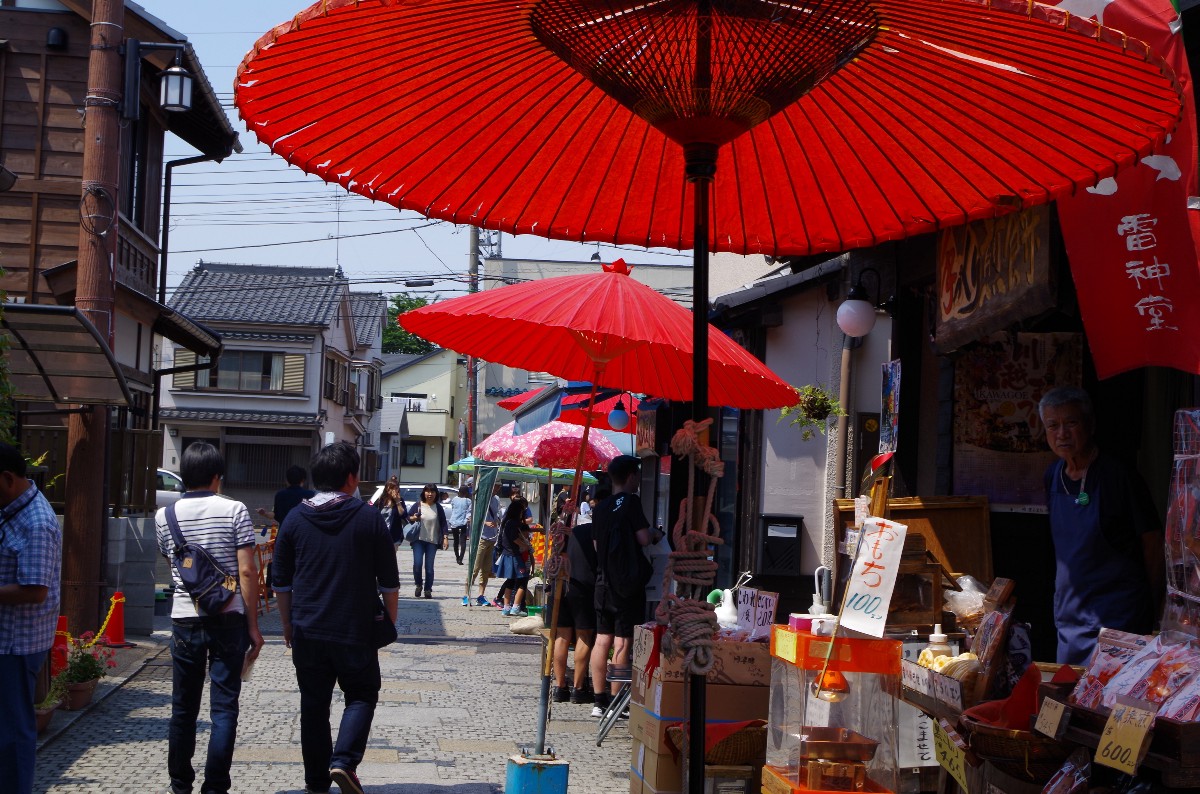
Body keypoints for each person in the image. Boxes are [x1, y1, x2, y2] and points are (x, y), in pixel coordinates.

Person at [273, 441, 400, 794]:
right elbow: (389, 581)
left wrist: (286, 624)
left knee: (313, 705)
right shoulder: (368, 518)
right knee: (361, 694)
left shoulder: (295, 519)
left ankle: (315, 783)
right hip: (355, 628)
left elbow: (281, 582)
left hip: (307, 628)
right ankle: (343, 761)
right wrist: (389, 622)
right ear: (350, 478)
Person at [155, 441, 264, 794]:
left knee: (183, 709)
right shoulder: (235, 510)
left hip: (184, 619)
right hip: (228, 619)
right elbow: (247, 572)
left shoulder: (164, 516)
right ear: (217, 476)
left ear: (184, 476)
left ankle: (179, 784)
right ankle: (215, 786)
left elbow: (174, 565)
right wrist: (253, 627)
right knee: (223, 708)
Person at [1040, 387, 1165, 665]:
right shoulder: (1052, 476)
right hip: (1071, 617)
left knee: (1112, 701)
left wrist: (1153, 604)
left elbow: (1153, 542)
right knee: (1070, 696)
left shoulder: (1119, 476)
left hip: (1119, 616)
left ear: (1090, 424)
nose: (1062, 433)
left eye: (1071, 423)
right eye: (1053, 425)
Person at [0, 443, 62, 794]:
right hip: (9, 640)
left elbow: (35, 589)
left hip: (16, 643)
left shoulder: (36, 522)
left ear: (8, 478)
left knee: (14, 730)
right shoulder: (12, 509)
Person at [590, 455, 662, 717]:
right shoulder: (631, 503)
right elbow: (643, 539)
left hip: (602, 582)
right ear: (631, 476)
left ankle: (598, 701)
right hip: (626, 586)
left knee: (601, 640)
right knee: (622, 643)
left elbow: (597, 546)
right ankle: (615, 700)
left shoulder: (600, 507)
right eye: (637, 476)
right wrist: (654, 533)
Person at [550, 497, 599, 704]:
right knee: (584, 636)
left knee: (561, 636)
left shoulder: (559, 530)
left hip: (559, 584)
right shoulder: (589, 529)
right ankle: (579, 688)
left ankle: (560, 687)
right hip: (582, 585)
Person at [406, 483, 449, 599]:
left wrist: (445, 538)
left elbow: (444, 523)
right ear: (424, 493)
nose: (430, 494)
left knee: (429, 567)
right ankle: (418, 584)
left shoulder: (438, 507)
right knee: (417, 564)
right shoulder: (418, 505)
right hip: (418, 540)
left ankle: (428, 589)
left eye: (432, 492)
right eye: (427, 491)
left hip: (432, 540)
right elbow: (408, 517)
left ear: (436, 494)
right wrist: (414, 517)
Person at [495, 496, 533, 617]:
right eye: (522, 511)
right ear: (518, 511)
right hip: (514, 556)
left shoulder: (507, 522)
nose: (523, 513)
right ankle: (515, 607)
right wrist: (524, 545)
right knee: (523, 580)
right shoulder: (513, 523)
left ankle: (506, 608)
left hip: (507, 555)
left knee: (510, 581)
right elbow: (514, 538)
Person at [466, 483, 502, 607]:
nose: (497, 489)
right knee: (475, 568)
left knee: (486, 570)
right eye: (495, 486)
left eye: (499, 486)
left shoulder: (496, 500)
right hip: (481, 537)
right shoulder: (478, 499)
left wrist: (497, 521)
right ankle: (467, 595)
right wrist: (484, 522)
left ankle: (481, 595)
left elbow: (497, 515)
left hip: (492, 538)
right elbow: (469, 517)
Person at [374, 476, 407, 548]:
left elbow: (403, 515)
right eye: (390, 488)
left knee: (391, 558)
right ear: (386, 488)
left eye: (395, 488)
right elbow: (373, 513)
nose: (393, 490)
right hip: (380, 534)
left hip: (394, 535)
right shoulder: (381, 500)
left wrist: (397, 501)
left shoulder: (400, 500)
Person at [448, 485, 472, 565]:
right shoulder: (468, 501)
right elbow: (469, 511)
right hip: (463, 523)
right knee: (463, 542)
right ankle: (460, 559)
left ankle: (457, 557)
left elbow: (453, 508)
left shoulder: (454, 499)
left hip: (454, 522)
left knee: (456, 541)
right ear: (466, 493)